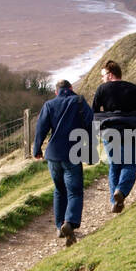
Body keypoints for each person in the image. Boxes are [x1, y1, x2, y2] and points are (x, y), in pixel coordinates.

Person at [33, 79, 94, 245]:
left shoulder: (49, 105)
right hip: (73, 153)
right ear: (71, 88)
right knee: (74, 191)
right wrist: (90, 151)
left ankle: (60, 227)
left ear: (56, 92)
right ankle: (70, 222)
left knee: (59, 190)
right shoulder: (80, 102)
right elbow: (91, 125)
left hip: (53, 154)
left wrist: (37, 149)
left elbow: (41, 128)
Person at [91, 59, 136, 213]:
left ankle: (115, 201)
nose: (102, 79)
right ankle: (120, 192)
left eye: (103, 75)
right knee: (129, 164)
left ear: (110, 74)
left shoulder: (102, 89)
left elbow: (94, 112)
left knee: (115, 165)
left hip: (109, 131)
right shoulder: (133, 88)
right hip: (130, 130)